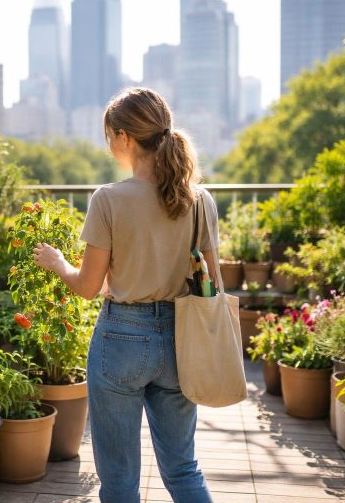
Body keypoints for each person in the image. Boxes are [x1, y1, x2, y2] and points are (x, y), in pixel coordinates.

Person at [33, 87, 219, 503]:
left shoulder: (109, 199)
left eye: (109, 137)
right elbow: (213, 285)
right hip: (181, 342)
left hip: (120, 340)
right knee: (183, 469)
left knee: (118, 482)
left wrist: (58, 262)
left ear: (125, 138)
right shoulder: (201, 201)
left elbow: (86, 287)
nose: (109, 147)